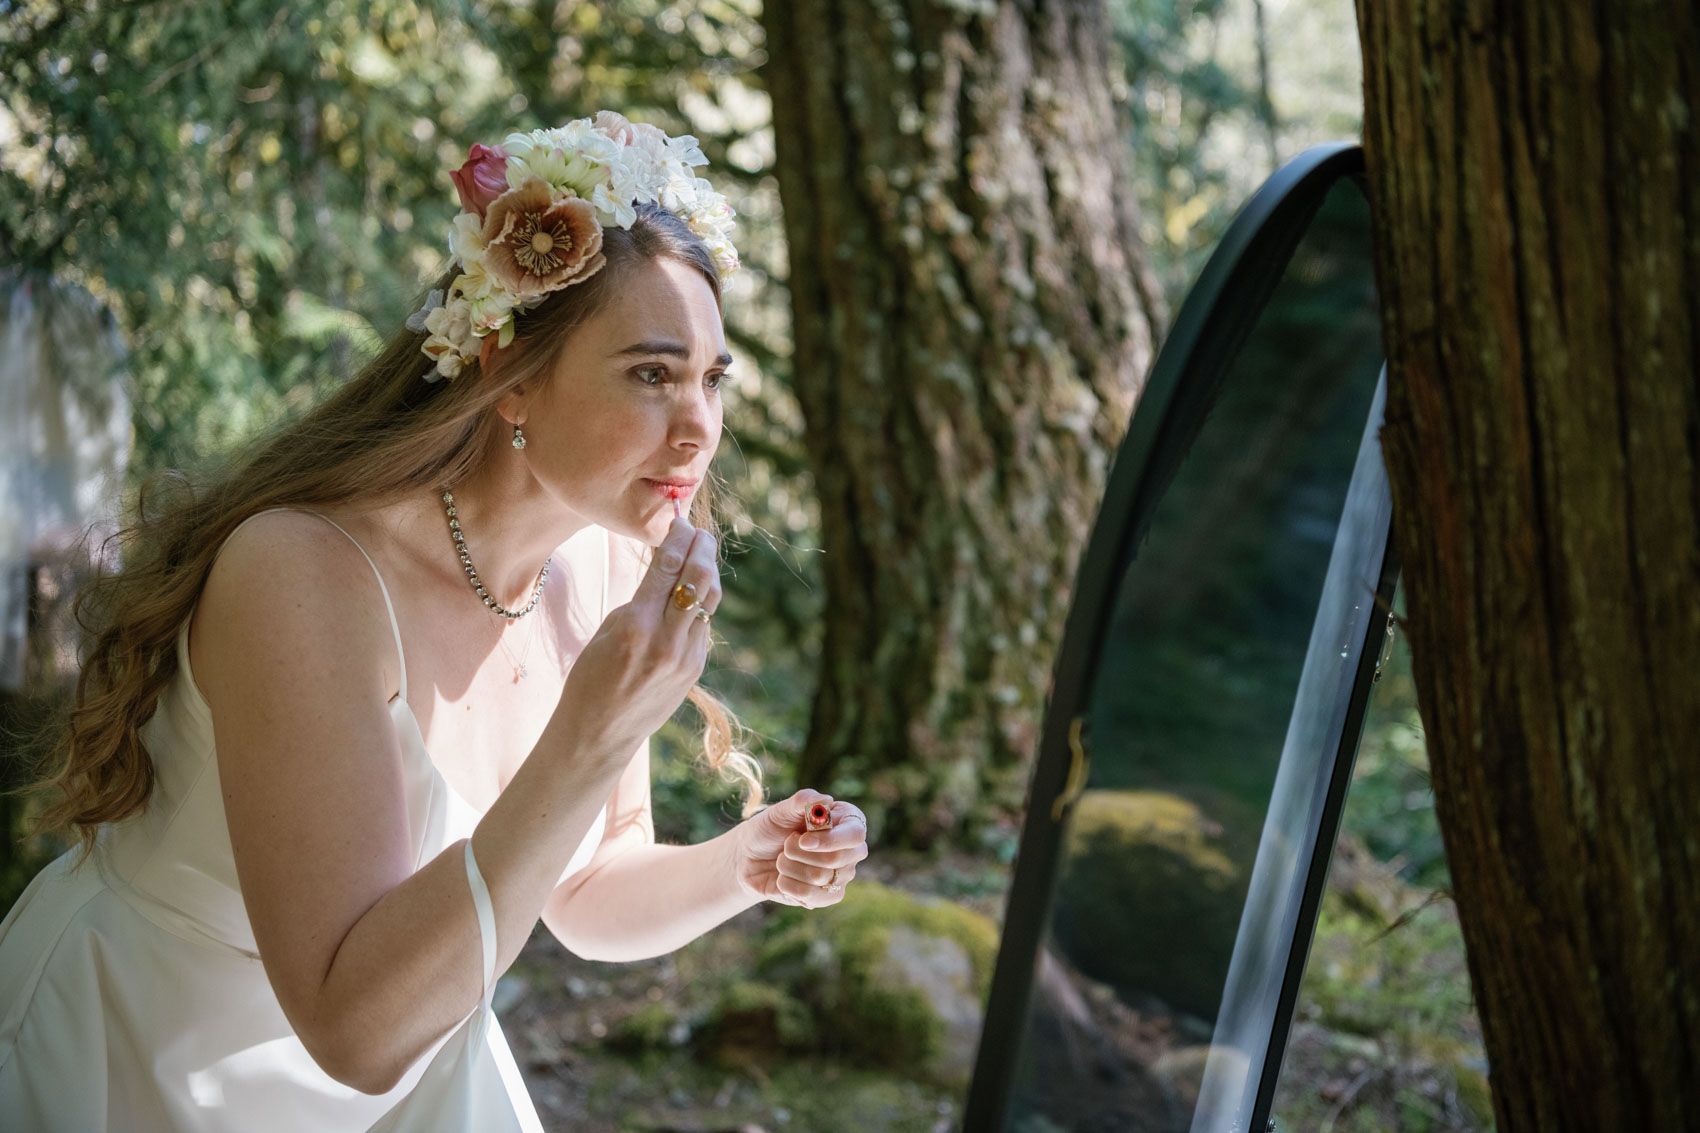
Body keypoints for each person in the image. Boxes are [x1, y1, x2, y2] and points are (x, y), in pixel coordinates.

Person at [0, 110, 870, 1131]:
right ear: (512, 379)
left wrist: (743, 860)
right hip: (141, 1058)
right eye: (651, 372)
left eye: (711, 378)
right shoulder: (306, 574)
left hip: (415, 1060)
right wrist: (589, 732)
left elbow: (584, 883)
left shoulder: (596, 564)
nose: (698, 425)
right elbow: (354, 1030)